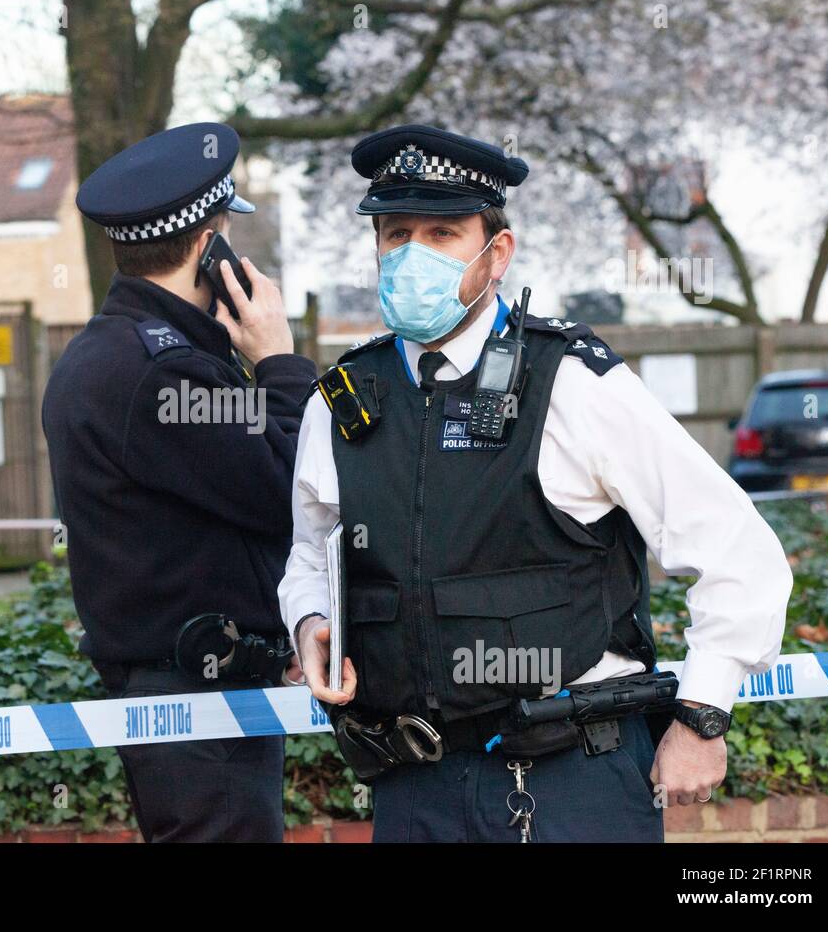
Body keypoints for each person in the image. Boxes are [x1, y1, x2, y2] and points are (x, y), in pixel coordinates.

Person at [279, 123, 792, 842]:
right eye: (395, 235)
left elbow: (736, 549)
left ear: (497, 253)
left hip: (569, 785)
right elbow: (309, 555)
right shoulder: (341, 399)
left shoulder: (574, 384)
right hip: (412, 785)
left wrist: (703, 714)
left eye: (442, 233)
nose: (412, 255)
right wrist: (309, 623)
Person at [42, 122, 317, 842]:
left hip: (186, 689)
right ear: (209, 245)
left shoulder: (110, 352)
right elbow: (293, 486)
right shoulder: (165, 372)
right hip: (196, 697)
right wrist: (281, 361)